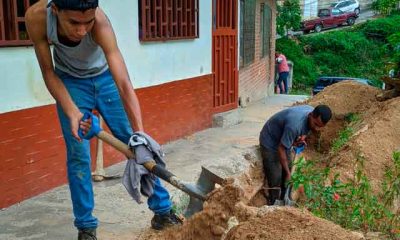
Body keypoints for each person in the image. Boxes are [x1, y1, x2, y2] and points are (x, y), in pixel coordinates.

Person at [25, 0, 180, 239]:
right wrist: (72, 111)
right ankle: (86, 227)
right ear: (55, 10)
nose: (82, 30)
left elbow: (124, 84)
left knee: (139, 147)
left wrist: (139, 134)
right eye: (74, 23)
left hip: (105, 79)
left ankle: (162, 211)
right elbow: (48, 71)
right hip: (70, 83)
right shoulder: (36, 18)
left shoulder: (100, 22)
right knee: (78, 155)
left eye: (87, 22)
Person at [259, 105, 332, 205]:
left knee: (288, 168)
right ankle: (273, 201)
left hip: (283, 138)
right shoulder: (294, 126)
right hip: (270, 140)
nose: (316, 128)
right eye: (315, 124)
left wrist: (302, 137)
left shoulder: (312, 114)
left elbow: (306, 129)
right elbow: (281, 149)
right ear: (310, 115)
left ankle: (284, 198)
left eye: (320, 126)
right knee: (276, 175)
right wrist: (288, 174)